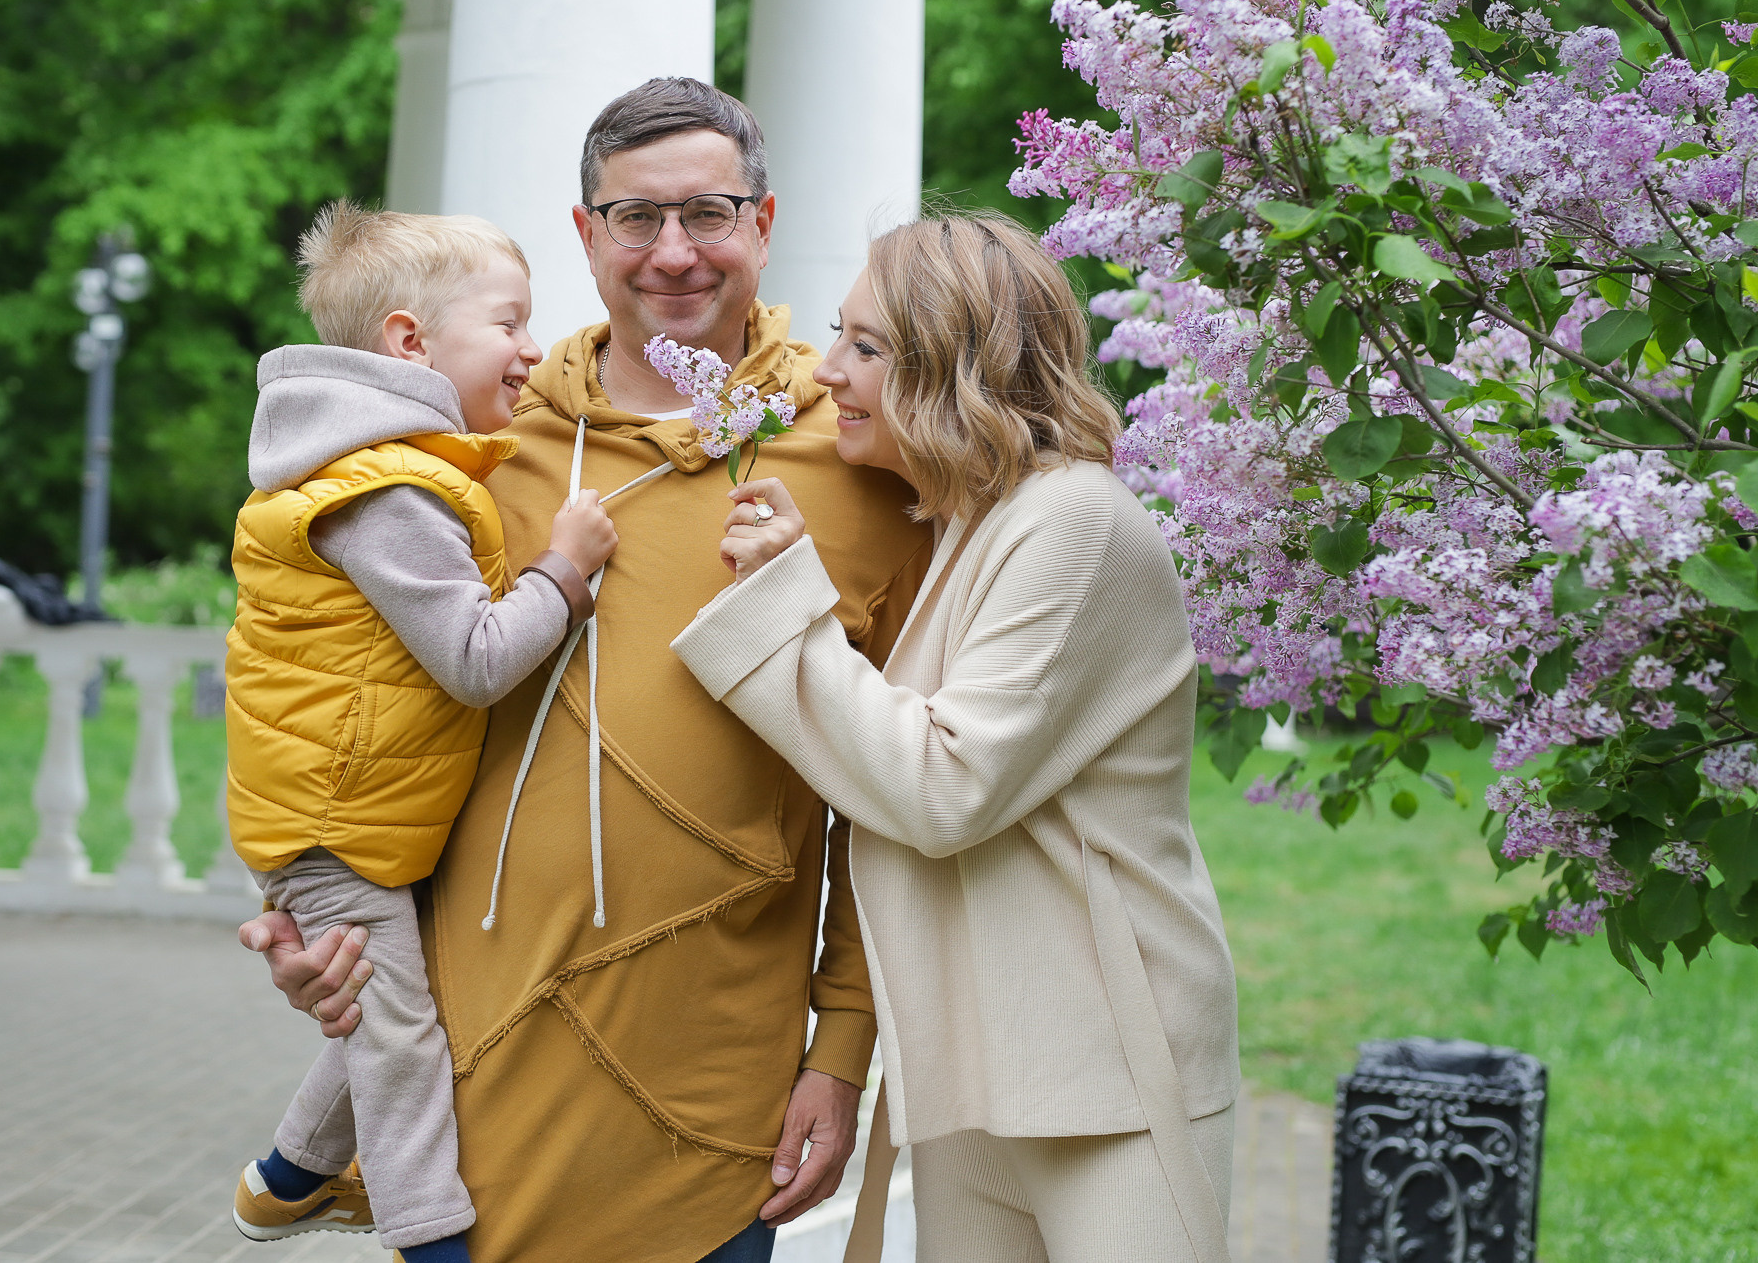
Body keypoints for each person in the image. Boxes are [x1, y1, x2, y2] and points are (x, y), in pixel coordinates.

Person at [238, 78, 936, 1263]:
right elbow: (335, 701)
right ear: (583, 233)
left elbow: (899, 794)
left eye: (708, 213)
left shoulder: (859, 454)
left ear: (763, 224)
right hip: (475, 1070)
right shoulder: (469, 453)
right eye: (634, 217)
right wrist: (312, 921)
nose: (673, 252)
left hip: (713, 1087)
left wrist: (841, 1049)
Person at [670, 212, 1242, 1263]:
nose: (825, 371)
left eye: (866, 347)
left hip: (1104, 1068)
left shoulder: (1071, 517)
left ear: (952, 366)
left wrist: (784, 599)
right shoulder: (965, 520)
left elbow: (939, 786)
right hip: (979, 1066)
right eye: (837, 336)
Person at [223, 204, 618, 1263]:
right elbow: (477, 657)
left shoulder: (374, 463)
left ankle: (288, 1176)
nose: (532, 347)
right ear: (410, 343)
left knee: (395, 995)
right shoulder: (389, 490)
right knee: (397, 1035)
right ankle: (427, 1237)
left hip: (335, 809)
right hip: (334, 819)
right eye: (510, 321)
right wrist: (565, 573)